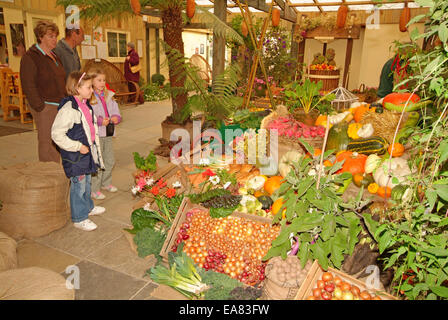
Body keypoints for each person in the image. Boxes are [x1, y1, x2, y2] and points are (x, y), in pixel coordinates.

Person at [51, 71, 106, 231]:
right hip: (76, 156)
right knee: (79, 186)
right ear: (77, 88)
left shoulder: (84, 104)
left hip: (86, 153)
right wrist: (76, 146)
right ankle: (79, 218)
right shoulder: (69, 109)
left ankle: (88, 207)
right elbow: (56, 134)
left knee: (87, 183)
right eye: (88, 87)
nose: (91, 90)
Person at [20, 20, 66, 163]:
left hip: (59, 105)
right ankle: (48, 176)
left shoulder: (54, 56)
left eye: (55, 36)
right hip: (45, 106)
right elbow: (28, 85)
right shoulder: (31, 57)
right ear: (40, 37)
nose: (55, 39)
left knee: (58, 141)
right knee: (47, 143)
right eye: (51, 36)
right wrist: (40, 107)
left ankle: (59, 175)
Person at [88, 68, 122, 200]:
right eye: (99, 80)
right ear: (91, 81)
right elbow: (89, 115)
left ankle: (106, 183)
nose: (102, 83)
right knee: (98, 162)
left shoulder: (109, 96)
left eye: (104, 80)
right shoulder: (90, 98)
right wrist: (100, 121)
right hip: (97, 135)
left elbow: (116, 111)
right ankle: (94, 189)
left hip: (108, 133)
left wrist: (115, 117)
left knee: (109, 160)